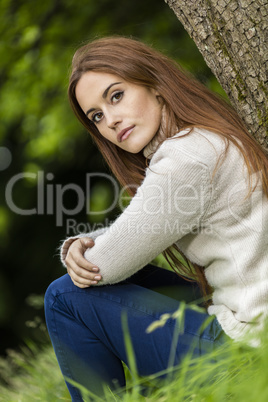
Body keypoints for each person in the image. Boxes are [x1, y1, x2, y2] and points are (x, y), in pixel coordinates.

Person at [44, 36, 268, 401]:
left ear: (155, 85)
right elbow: (139, 231)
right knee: (135, 276)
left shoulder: (186, 158)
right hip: (252, 324)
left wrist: (79, 250)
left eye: (116, 95)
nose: (111, 121)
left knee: (64, 297)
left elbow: (106, 264)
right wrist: (80, 246)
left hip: (251, 354)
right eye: (97, 116)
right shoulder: (204, 137)